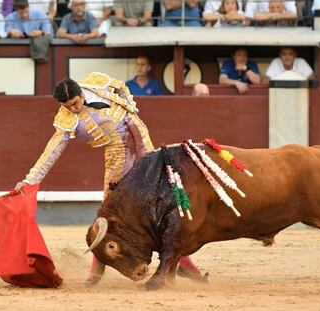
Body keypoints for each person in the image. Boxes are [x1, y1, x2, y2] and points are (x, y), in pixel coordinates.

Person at [14, 72, 206, 285]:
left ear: (80, 93)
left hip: (141, 138)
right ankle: (95, 271)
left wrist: (131, 107)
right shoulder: (66, 120)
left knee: (160, 204)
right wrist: (31, 179)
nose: (73, 109)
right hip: (117, 155)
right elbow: (51, 152)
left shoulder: (96, 83)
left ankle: (185, 265)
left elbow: (120, 86)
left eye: (75, 104)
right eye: (67, 106)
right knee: (109, 211)